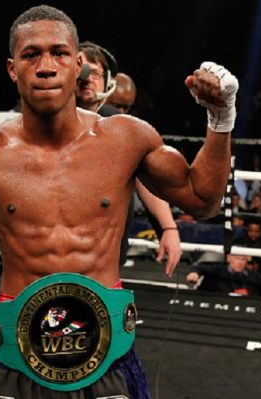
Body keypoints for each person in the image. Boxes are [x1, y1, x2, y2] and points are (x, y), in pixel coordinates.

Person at [0, 5, 238, 399]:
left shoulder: (126, 138)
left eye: (59, 53)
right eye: (31, 55)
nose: (46, 66)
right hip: (15, 360)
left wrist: (220, 118)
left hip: (106, 357)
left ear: (78, 64)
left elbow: (202, 201)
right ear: (13, 69)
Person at [75, 42, 181, 274]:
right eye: (81, 70)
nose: (87, 78)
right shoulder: (46, 121)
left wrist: (168, 228)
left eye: (95, 73)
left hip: (106, 254)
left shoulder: (121, 126)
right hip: (55, 250)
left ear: (107, 81)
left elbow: (145, 177)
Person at [186, 253, 261, 297]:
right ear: (229, 258)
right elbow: (199, 268)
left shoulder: (253, 275)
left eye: (243, 260)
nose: (240, 262)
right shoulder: (218, 269)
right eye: (237, 258)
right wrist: (194, 273)